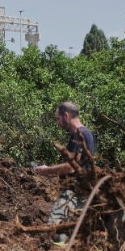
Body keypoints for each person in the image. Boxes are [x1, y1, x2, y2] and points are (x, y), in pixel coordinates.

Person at [33, 102, 97, 239]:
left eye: (58, 118)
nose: (58, 123)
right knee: (73, 231)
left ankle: (55, 250)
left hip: (72, 191)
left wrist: (46, 170)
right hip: (85, 190)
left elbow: (70, 167)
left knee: (56, 229)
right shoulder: (88, 134)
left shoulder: (78, 135)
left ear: (66, 116)